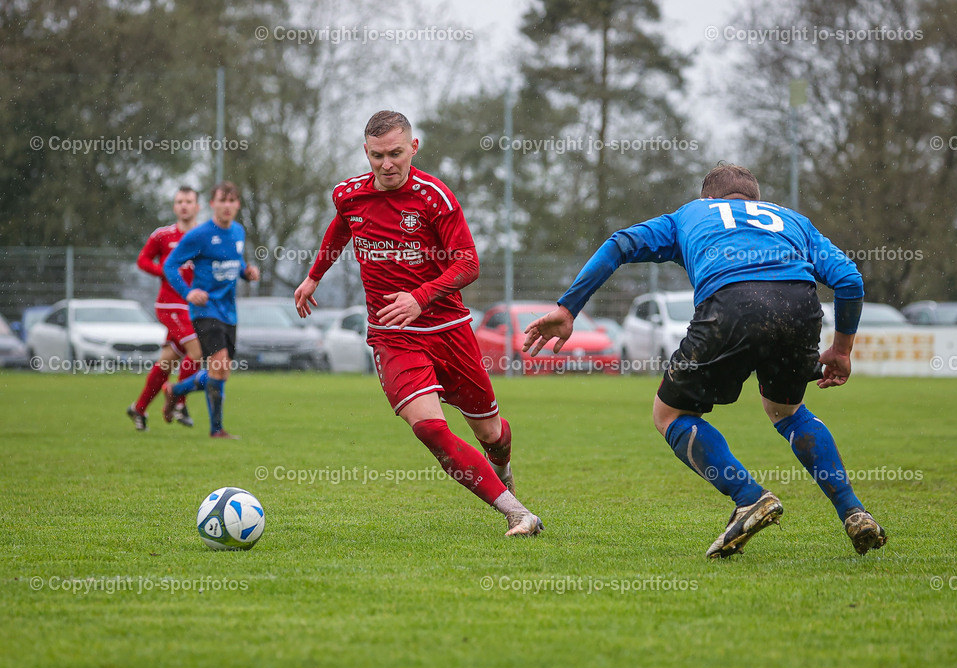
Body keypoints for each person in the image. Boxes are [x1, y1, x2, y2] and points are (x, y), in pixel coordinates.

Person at [522, 164, 886, 558]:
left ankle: (749, 496)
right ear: (756, 201)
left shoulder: (691, 214)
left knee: (669, 415)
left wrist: (568, 308)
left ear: (707, 198)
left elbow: (619, 244)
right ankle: (854, 512)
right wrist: (842, 351)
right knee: (786, 410)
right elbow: (850, 280)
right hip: (799, 307)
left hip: (730, 306)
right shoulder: (792, 220)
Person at [293, 110, 543, 536]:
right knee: (428, 427)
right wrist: (315, 274)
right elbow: (342, 226)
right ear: (365, 152)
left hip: (449, 331)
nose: (386, 164)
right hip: (392, 337)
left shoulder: (435, 197)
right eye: (376, 156)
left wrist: (420, 297)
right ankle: (518, 513)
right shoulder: (349, 194)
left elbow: (468, 263)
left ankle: (501, 467)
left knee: (492, 433)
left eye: (394, 153)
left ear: (413, 147)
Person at [162, 181, 259, 438]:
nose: (227, 206)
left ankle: (176, 391)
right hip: (205, 311)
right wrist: (188, 292)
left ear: (237, 204)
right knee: (219, 364)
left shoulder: (238, 232)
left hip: (229, 311)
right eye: (222, 201)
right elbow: (170, 265)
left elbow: (236, 263)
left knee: (221, 371)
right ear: (212, 204)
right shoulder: (199, 235)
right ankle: (217, 430)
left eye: (231, 201)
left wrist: (247, 273)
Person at [126, 187, 204, 431]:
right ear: (174, 207)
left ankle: (138, 408)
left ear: (197, 206)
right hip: (169, 305)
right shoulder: (163, 235)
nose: (184, 205)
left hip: (192, 308)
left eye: (188, 201)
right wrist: (166, 273)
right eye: (179, 201)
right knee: (197, 351)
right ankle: (179, 402)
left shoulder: (203, 235)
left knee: (167, 362)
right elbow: (143, 260)